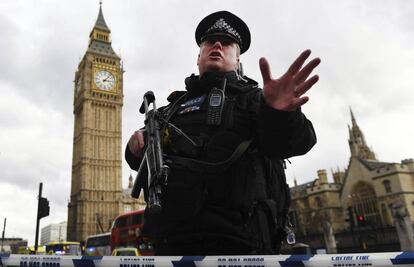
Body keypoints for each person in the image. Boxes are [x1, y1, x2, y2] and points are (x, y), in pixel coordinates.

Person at [126, 10, 320, 255]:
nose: (217, 45)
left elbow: (296, 142)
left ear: (237, 60)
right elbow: (140, 160)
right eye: (209, 42)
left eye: (227, 43)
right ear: (198, 57)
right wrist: (134, 148)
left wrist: (280, 113)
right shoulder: (171, 109)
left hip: (240, 245)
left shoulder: (254, 101)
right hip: (172, 245)